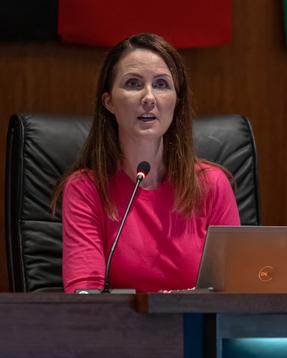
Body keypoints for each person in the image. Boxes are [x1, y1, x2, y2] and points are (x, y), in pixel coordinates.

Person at [52, 33, 240, 293]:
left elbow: (235, 292)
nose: (149, 97)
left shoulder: (212, 185)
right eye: (133, 83)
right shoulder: (86, 189)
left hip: (199, 331)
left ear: (176, 101)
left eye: (162, 84)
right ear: (109, 102)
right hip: (121, 330)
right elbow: (86, 298)